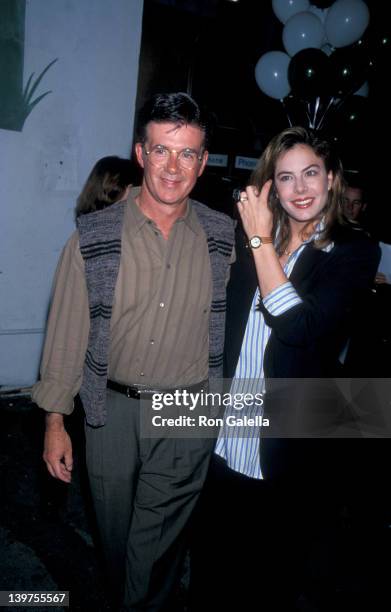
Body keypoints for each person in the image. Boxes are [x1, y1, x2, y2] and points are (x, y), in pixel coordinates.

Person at [32, 92, 235, 611]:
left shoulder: (222, 236)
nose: (173, 167)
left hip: (189, 407)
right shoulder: (93, 237)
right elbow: (66, 334)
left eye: (187, 153)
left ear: (203, 161)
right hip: (111, 410)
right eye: (162, 150)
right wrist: (56, 422)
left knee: (156, 543)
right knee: (120, 541)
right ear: (141, 154)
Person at [189, 127, 380, 610]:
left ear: (332, 179)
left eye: (311, 173)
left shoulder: (353, 251)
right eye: (286, 177)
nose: (300, 189)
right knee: (211, 574)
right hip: (226, 434)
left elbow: (298, 326)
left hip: (288, 445)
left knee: (267, 580)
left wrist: (258, 239)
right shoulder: (253, 237)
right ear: (271, 185)